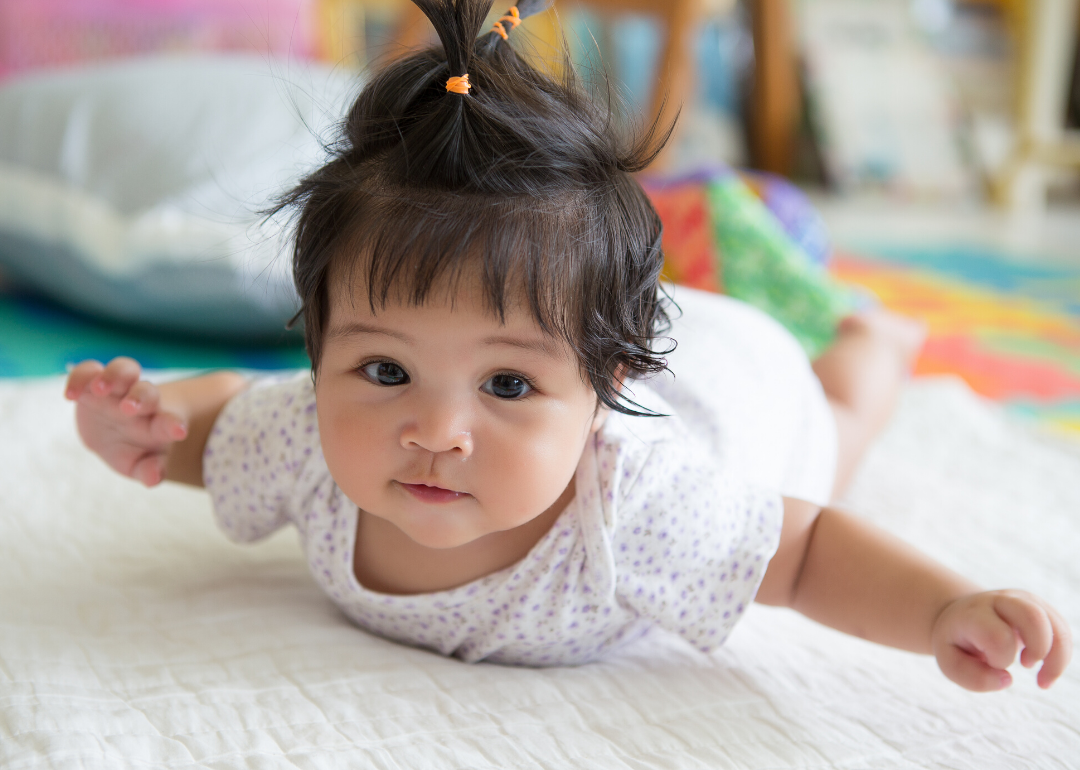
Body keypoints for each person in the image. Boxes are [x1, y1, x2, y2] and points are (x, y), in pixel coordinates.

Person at [64, 0, 1070, 690]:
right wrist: (151, 422)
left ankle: (871, 335)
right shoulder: (307, 439)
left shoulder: (636, 502)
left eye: (505, 382)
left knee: (838, 431)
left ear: (600, 390)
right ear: (318, 348)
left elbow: (805, 553)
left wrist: (945, 608)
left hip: (736, 386)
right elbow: (220, 416)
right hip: (620, 335)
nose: (435, 429)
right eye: (384, 368)